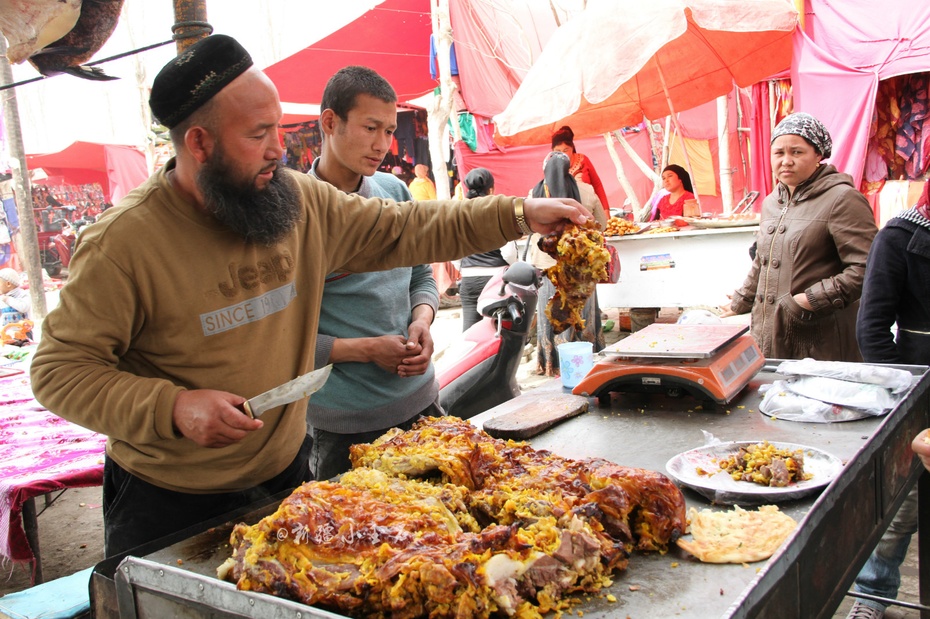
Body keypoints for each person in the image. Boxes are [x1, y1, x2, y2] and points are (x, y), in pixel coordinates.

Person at [27, 34, 589, 557]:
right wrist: (171, 407)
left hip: (285, 476)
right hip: (169, 498)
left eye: (278, 128)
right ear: (199, 143)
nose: (278, 149)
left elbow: (405, 228)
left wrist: (521, 212)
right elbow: (58, 371)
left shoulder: (296, 201)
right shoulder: (123, 244)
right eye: (257, 135)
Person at [306, 66, 441, 481]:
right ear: (330, 122)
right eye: (370, 128)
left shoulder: (395, 192)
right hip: (343, 428)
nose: (382, 144)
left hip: (422, 404)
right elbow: (280, 339)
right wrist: (366, 349)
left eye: (388, 130)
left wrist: (422, 321)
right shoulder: (298, 215)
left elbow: (422, 275)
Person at [719, 112, 877, 361]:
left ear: (818, 156)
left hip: (819, 335)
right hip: (769, 331)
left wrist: (811, 299)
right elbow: (763, 260)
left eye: (797, 152)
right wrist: (742, 299)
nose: (786, 161)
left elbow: (867, 267)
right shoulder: (772, 202)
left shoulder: (842, 199)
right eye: (779, 153)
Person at [845, 181, 930, 619]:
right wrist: (907, 395)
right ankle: (873, 594)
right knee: (903, 503)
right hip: (918, 388)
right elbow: (872, 329)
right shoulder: (898, 236)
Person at [530, 151, 606, 376]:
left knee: (554, 317)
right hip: (582, 269)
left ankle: (554, 365)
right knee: (583, 316)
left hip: (547, 270)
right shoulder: (586, 191)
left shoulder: (534, 195)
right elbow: (601, 224)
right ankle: (587, 363)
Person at [458, 168, 510, 331]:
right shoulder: (498, 211)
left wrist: (463, 268)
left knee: (469, 331)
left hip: (469, 279)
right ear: (491, 189)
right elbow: (509, 252)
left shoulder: (459, 213)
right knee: (499, 330)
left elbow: (452, 248)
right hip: (496, 278)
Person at [551, 125, 610, 221]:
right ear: (552, 151)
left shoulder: (583, 160)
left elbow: (597, 185)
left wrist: (605, 210)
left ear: (572, 148)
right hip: (565, 217)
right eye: (558, 151)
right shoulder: (551, 168)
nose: (562, 154)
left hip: (589, 213)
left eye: (566, 150)